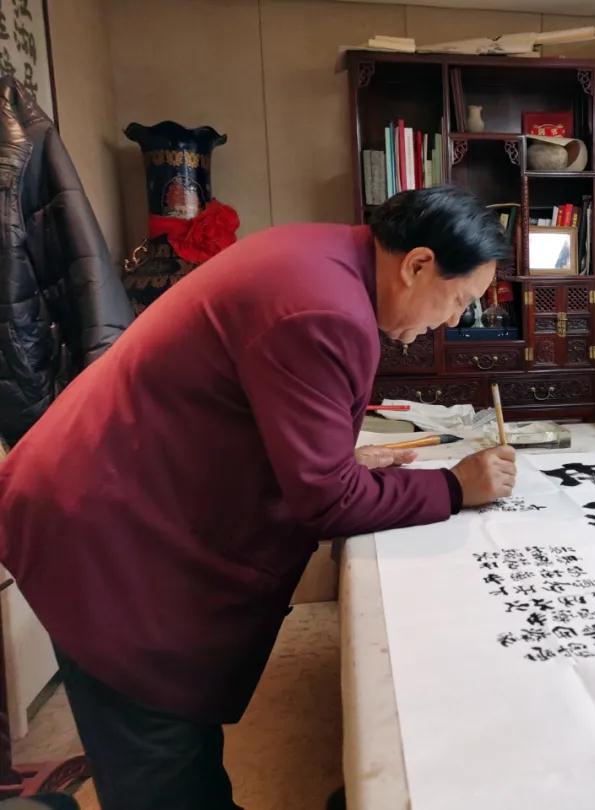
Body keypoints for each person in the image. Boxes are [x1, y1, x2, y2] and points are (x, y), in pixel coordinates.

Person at [0, 186, 517, 810]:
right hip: (101, 529)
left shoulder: (322, 256)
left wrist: (331, 457)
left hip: (110, 491)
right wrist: (456, 486)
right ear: (418, 264)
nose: (455, 320)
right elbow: (328, 501)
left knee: (180, 748)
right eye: (460, 300)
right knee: (160, 763)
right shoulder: (325, 309)